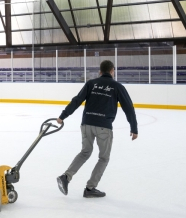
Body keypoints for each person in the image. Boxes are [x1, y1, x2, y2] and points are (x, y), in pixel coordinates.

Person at [56, 60, 138, 198]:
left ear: (100, 71)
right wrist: (134, 127)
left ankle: (66, 177)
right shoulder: (117, 86)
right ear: (112, 71)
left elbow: (77, 100)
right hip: (103, 127)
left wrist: (62, 116)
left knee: (85, 152)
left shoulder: (91, 84)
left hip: (86, 124)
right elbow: (128, 108)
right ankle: (90, 188)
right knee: (104, 158)